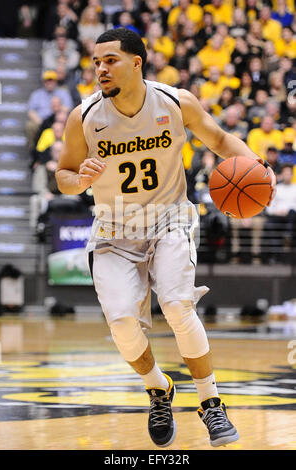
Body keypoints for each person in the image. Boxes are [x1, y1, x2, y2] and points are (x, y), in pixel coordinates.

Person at [55, 28, 276, 448]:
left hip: (169, 219)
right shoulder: (83, 117)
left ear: (136, 63)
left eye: (110, 60)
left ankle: (211, 402)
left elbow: (219, 139)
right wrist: (75, 179)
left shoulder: (176, 102)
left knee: (176, 305)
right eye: (96, 61)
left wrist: (256, 165)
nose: (100, 68)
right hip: (113, 227)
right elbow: (63, 174)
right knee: (122, 323)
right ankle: (159, 388)